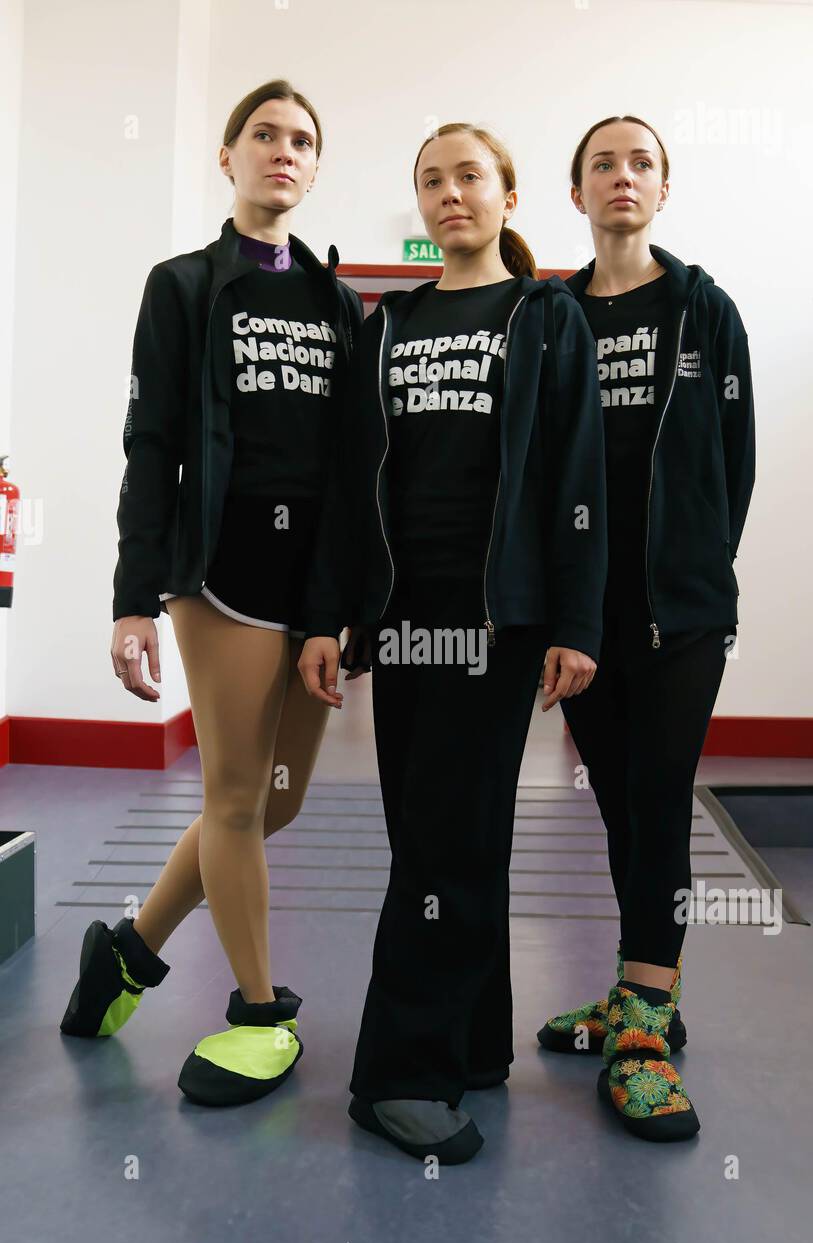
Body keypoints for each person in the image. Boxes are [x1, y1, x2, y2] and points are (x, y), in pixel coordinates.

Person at [300, 123, 607, 1163]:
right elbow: (349, 486)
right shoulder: (386, 326)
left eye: (467, 176)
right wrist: (326, 614)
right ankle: (469, 1038)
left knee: (452, 838)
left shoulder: (542, 316)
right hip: (404, 617)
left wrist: (574, 619)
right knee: (441, 834)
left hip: (495, 621)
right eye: (429, 180)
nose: (447, 195)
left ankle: (399, 1073)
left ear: (507, 195)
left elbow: (576, 477)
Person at [60, 79, 363, 1108]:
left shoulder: (340, 304)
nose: (283, 152)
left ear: (316, 169)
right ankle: (257, 1010)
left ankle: (129, 952)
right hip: (219, 577)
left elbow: (352, 464)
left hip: (310, 585)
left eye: (301, 141)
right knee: (232, 795)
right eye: (264, 135)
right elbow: (150, 445)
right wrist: (133, 593)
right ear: (227, 158)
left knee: (271, 806)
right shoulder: (182, 286)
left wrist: (341, 601)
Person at [537, 115, 756, 1142]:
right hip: (584, 617)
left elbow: (732, 460)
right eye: (601, 164)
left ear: (660, 189)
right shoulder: (552, 316)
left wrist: (695, 568)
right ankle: (638, 990)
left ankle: (640, 1029)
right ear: (574, 192)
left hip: (679, 611)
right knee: (619, 806)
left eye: (639, 163)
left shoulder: (702, 310)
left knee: (659, 797)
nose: (620, 177)